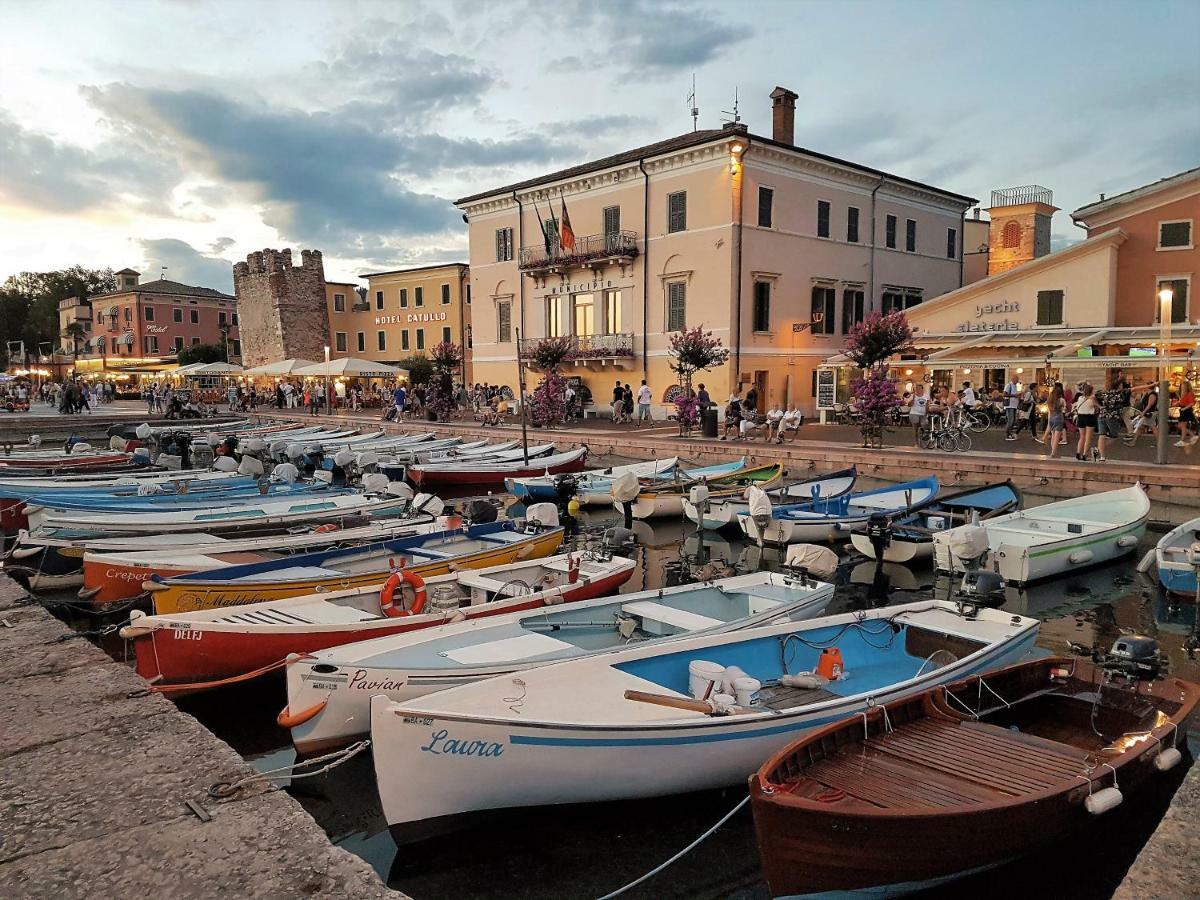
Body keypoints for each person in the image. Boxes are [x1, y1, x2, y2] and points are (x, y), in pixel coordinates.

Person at [1095, 378, 1130, 461]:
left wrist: (1099, 406)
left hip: (1102, 415)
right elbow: (1136, 389)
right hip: (1112, 417)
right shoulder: (1121, 393)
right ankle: (1098, 449)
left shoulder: (1104, 393)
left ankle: (1102, 456)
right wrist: (1151, 385)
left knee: (1102, 435)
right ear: (1119, 386)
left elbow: (1093, 397)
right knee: (1114, 436)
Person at [1072, 382, 1098, 460]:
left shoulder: (1080, 398)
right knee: (1088, 438)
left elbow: (1076, 386)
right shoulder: (1093, 398)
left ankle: (1078, 453)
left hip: (1080, 417)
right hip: (1089, 417)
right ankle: (1084, 455)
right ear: (1091, 391)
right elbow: (1097, 406)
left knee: (1082, 437)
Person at [1046, 385, 1066, 458]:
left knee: (1053, 436)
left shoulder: (1049, 400)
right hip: (1059, 417)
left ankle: (1052, 451)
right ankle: (1053, 453)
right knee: (1057, 437)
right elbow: (1064, 409)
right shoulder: (1061, 400)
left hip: (1051, 417)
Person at [1176, 381, 1197, 447]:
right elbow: (1183, 402)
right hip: (1183, 410)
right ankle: (1193, 436)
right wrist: (1178, 403)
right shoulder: (1184, 393)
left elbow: (1192, 403)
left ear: (1186, 387)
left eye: (1183, 386)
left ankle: (1183, 440)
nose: (1182, 387)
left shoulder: (1190, 393)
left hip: (1186, 410)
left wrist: (1184, 409)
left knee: (1182, 426)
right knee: (1181, 426)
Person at [1003, 375, 1021, 440]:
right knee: (1011, 420)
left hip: (1014, 405)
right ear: (1013, 379)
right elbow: (1004, 394)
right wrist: (1014, 395)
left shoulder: (1016, 386)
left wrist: (1018, 396)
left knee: (1013, 420)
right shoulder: (1008, 385)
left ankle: (1010, 433)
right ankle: (1008, 434)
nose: (1018, 380)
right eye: (1017, 379)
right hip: (1009, 405)